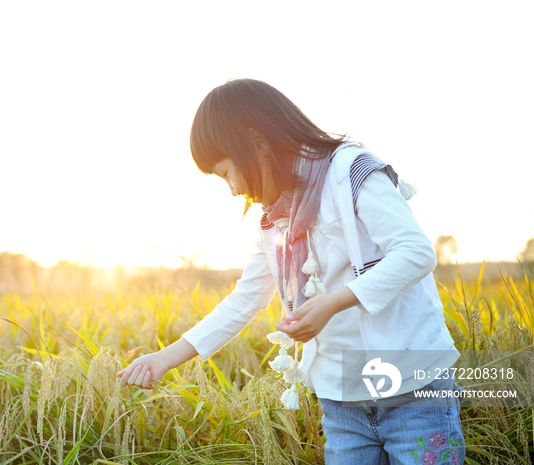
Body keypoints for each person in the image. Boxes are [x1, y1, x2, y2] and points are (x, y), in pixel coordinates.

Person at [117, 79, 465, 464]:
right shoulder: (276, 220)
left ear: (257, 143)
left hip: (413, 390)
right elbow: (243, 301)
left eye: (227, 172)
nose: (232, 189)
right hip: (342, 401)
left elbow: (415, 252)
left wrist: (334, 303)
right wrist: (164, 359)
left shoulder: (353, 172)